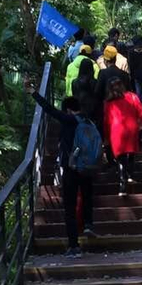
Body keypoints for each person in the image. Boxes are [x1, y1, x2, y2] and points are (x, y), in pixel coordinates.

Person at [25, 84, 102, 255]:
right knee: (88, 198)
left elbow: (49, 109)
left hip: (72, 169)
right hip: (88, 169)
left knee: (70, 208)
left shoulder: (69, 120)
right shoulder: (89, 121)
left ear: (67, 109)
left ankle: (74, 246)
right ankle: (89, 224)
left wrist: (34, 93)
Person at [103, 75, 142, 196]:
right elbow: (141, 113)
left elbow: (106, 121)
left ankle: (123, 185)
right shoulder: (132, 97)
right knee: (130, 154)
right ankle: (130, 175)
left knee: (120, 159)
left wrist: (106, 137)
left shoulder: (108, 103)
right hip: (131, 129)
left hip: (116, 132)